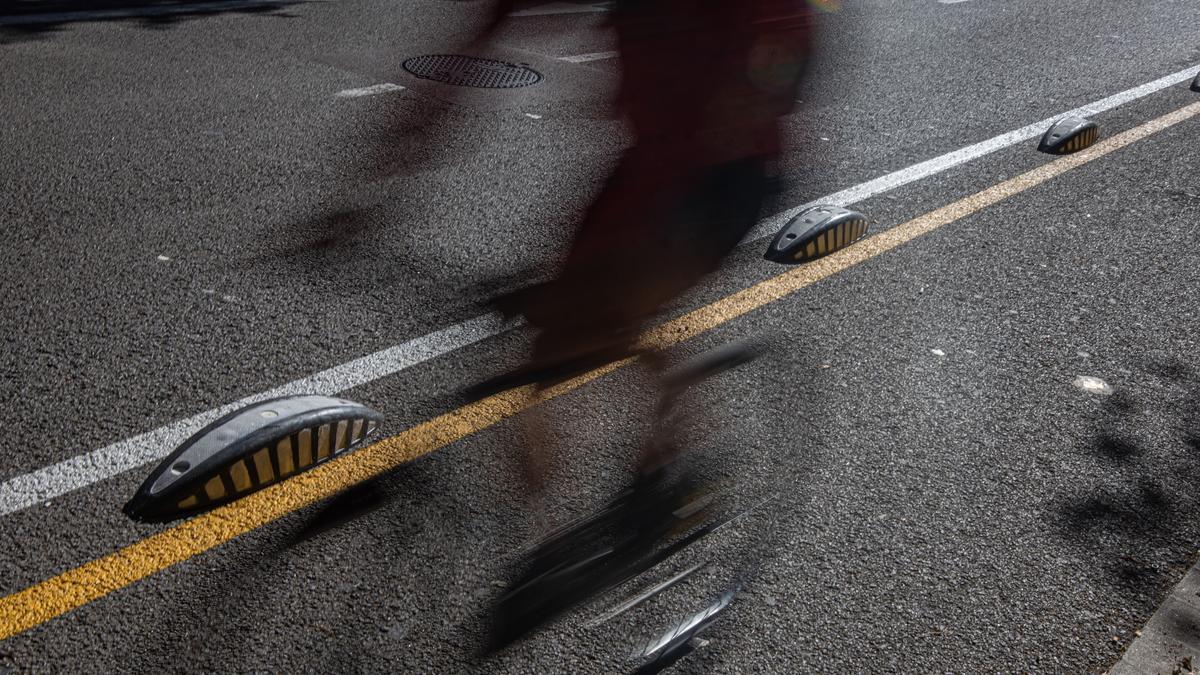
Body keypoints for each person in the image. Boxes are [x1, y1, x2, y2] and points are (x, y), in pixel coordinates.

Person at [474, 0, 817, 649]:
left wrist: (607, 262)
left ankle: (670, 474)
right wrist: (371, 193)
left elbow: (766, 71)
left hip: (725, 172)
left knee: (597, 316)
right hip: (650, 155)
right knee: (553, 341)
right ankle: (654, 447)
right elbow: (473, 42)